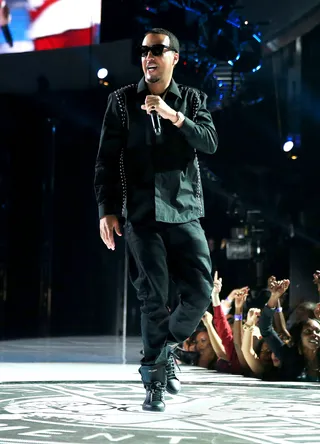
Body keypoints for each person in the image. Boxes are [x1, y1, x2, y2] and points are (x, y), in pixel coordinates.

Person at [94, 28, 218, 412]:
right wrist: (107, 210)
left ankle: (165, 350)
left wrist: (173, 115)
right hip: (142, 216)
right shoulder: (119, 103)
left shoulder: (193, 99)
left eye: (158, 50)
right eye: (145, 51)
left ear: (174, 58)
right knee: (154, 299)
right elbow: (105, 162)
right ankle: (154, 383)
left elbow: (209, 142)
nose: (149, 56)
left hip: (183, 212)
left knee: (199, 294)